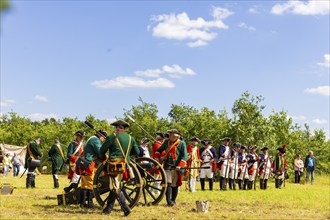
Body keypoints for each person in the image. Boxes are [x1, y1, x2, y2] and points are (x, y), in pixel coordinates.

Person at [100, 120, 140, 216]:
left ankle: (126, 208)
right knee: (115, 185)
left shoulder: (112, 137)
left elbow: (102, 151)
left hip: (114, 165)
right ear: (124, 129)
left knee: (115, 186)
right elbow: (137, 152)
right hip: (125, 165)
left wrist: (103, 157)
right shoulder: (131, 138)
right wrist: (127, 156)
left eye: (115, 127)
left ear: (117, 128)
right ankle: (108, 209)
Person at [154, 129, 188, 206]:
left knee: (175, 185)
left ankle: (173, 200)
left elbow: (185, 156)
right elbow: (158, 151)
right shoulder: (166, 142)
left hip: (177, 167)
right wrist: (158, 157)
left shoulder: (182, 143)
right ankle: (168, 201)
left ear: (176, 136)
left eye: (171, 134)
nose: (170, 136)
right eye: (170, 134)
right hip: (167, 166)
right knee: (168, 184)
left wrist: (180, 165)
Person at [78, 129, 107, 209]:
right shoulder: (95, 140)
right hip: (89, 164)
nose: (103, 140)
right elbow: (100, 152)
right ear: (101, 136)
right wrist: (106, 156)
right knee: (90, 184)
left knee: (84, 184)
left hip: (84, 163)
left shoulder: (92, 138)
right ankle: (89, 203)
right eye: (103, 138)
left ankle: (83, 203)